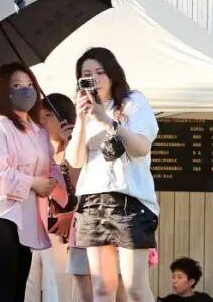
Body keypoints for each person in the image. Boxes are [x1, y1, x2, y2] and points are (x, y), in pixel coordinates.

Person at [66, 47, 159, 302]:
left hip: (130, 200)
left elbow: (141, 148)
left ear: (112, 73)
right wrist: (81, 119)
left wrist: (106, 120)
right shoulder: (85, 112)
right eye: (87, 75)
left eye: (100, 72)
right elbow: (75, 160)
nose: (94, 78)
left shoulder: (133, 102)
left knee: (135, 288)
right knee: (102, 288)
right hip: (92, 201)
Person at [0, 62, 69, 302]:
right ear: (4, 92)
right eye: (17, 85)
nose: (25, 90)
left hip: (25, 227)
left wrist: (53, 181)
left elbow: (51, 167)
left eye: (30, 84)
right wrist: (34, 183)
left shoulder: (39, 132)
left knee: (17, 295)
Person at [25, 93, 79, 302]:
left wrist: (70, 145)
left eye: (47, 115)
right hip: (36, 228)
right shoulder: (40, 149)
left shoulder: (77, 150)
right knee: (28, 288)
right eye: (40, 115)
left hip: (62, 231)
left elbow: (81, 189)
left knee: (58, 291)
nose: (41, 121)